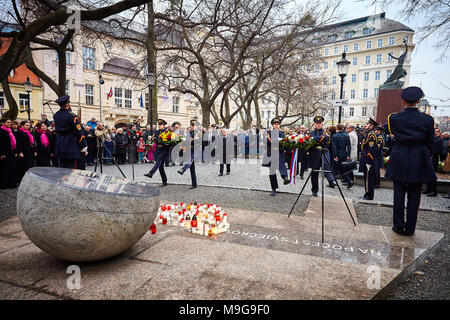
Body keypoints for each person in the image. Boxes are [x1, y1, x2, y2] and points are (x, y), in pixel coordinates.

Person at [384, 86, 436, 236]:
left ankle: (398, 226)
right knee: (415, 194)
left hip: (400, 154)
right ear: (419, 101)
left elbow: (392, 135)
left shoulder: (393, 118)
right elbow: (430, 142)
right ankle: (410, 228)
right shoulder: (427, 120)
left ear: (403, 101)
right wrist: (427, 154)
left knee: (398, 193)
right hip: (419, 156)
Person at [53, 95, 87, 169]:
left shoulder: (56, 115)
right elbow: (78, 132)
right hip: (71, 144)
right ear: (67, 104)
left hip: (60, 143)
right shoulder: (72, 116)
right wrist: (83, 144)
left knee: (62, 167)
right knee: (71, 168)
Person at [309, 116, 336, 197]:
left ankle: (331, 181)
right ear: (314, 124)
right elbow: (311, 140)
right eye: (317, 123)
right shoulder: (311, 133)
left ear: (322, 124)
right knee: (314, 173)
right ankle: (314, 190)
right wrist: (319, 138)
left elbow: (327, 140)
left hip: (323, 153)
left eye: (319, 123)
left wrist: (317, 139)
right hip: (314, 154)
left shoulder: (325, 133)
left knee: (327, 168)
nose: (318, 125)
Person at [265, 118, 289, 196]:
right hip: (272, 153)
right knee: (272, 172)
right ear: (273, 125)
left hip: (280, 152)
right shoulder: (269, 133)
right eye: (275, 124)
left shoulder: (282, 133)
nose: (276, 125)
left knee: (282, 166)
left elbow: (285, 142)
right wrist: (278, 141)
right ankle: (273, 189)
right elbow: (269, 141)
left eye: (277, 124)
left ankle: (285, 178)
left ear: (279, 125)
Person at [144, 119, 169, 186]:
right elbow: (153, 138)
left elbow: (164, 141)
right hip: (158, 149)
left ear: (164, 125)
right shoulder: (157, 132)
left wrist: (157, 139)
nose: (159, 126)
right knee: (160, 167)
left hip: (164, 150)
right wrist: (155, 139)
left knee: (158, 161)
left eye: (161, 125)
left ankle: (151, 173)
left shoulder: (167, 132)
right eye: (159, 125)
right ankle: (164, 181)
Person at [358, 118, 379, 200]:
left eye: (368, 124)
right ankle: (366, 193)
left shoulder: (372, 135)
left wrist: (369, 161)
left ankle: (369, 196)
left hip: (369, 160)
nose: (366, 125)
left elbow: (372, 150)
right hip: (366, 159)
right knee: (366, 178)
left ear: (371, 126)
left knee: (369, 179)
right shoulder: (368, 134)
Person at [177, 120, 200, 189]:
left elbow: (197, 142)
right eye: (191, 125)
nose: (192, 127)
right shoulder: (188, 133)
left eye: (193, 125)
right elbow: (186, 141)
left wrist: (190, 141)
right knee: (192, 168)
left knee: (190, 160)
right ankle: (194, 184)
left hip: (196, 150)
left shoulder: (199, 133)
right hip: (190, 150)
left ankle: (183, 169)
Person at [331, 123, 353, 188]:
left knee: (334, 169)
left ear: (337, 128)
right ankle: (349, 181)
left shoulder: (334, 136)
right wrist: (348, 155)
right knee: (342, 169)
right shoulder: (346, 135)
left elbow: (334, 147)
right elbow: (349, 146)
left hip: (337, 154)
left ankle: (332, 182)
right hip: (344, 154)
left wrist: (335, 156)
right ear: (343, 128)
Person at [423, 127, 443, 197]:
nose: (435, 132)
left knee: (432, 176)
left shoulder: (440, 140)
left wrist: (432, 154)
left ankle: (434, 191)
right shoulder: (432, 139)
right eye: (435, 131)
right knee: (428, 175)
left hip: (434, 158)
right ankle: (428, 189)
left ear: (439, 132)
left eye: (437, 131)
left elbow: (440, 151)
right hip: (429, 158)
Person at [0, 118, 20, 189]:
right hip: (4, 152)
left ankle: (11, 183)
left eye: (10, 122)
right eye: (8, 122)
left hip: (11, 152)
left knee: (11, 168)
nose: (10, 124)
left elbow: (14, 142)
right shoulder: (1, 131)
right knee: (4, 169)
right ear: (2, 123)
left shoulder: (10, 131)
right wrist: (1, 153)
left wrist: (15, 151)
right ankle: (4, 184)